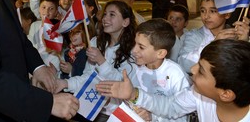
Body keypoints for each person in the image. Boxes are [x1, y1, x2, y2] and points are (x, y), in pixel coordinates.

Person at [96, 39, 250, 122]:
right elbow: (171, 106)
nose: (193, 69)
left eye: (201, 71)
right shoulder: (200, 94)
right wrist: (134, 94)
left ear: (226, 94)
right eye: (198, 62)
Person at [55, 0, 138, 121]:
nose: (105, 19)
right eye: (105, 14)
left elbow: (123, 84)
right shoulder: (95, 42)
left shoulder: (134, 49)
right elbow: (88, 77)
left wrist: (101, 61)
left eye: (112, 15)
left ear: (125, 22)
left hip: (118, 114)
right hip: (93, 108)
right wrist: (66, 83)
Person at [127, 18, 191, 121]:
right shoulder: (132, 67)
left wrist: (153, 117)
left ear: (160, 53)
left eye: (141, 47)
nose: (134, 50)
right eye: (135, 43)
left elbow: (181, 117)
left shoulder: (175, 75)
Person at [177, 0, 250, 74]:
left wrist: (244, 42)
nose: (206, 16)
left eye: (213, 11)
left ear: (227, 14)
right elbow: (184, 65)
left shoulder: (235, 35)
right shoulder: (194, 35)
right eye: (203, 11)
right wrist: (213, 44)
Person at [28, 0, 63, 77]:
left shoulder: (59, 29)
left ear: (56, 11)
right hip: (34, 66)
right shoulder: (34, 25)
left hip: (52, 67)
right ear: (39, 9)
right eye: (43, 7)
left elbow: (59, 53)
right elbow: (30, 46)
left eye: (51, 9)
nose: (46, 12)